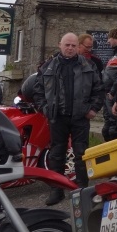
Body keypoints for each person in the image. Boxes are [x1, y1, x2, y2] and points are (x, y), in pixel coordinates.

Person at [34, 32, 103, 205]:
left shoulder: (89, 65)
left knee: (81, 153)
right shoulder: (48, 66)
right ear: (60, 45)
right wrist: (45, 109)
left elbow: (99, 89)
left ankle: (82, 190)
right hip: (57, 118)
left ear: (77, 47)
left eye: (73, 45)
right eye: (67, 45)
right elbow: (38, 91)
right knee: (56, 154)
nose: (70, 48)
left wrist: (93, 108)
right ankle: (56, 190)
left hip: (80, 117)